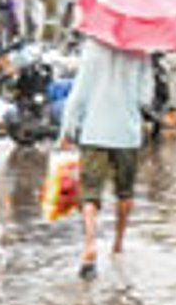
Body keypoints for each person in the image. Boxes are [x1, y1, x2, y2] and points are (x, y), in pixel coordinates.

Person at [59, 35, 154, 279]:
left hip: (94, 131)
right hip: (126, 133)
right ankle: (118, 244)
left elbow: (78, 94)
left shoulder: (93, 47)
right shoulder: (142, 52)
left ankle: (90, 245)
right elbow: (145, 99)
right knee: (125, 192)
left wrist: (67, 130)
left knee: (89, 192)